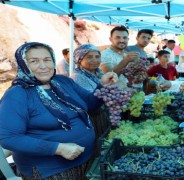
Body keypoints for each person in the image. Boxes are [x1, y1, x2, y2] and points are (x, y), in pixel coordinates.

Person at [0, 42, 117, 179]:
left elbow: (91, 104)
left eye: (47, 60)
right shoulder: (17, 94)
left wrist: (102, 85)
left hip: (88, 158)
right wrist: (58, 149)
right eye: (34, 61)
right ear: (23, 64)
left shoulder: (63, 81)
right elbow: (8, 138)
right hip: (52, 171)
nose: (43, 66)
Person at [70, 44, 110, 140]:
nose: (95, 60)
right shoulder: (77, 77)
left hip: (102, 115)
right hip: (92, 118)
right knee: (98, 143)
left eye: (97, 56)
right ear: (79, 59)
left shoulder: (99, 72)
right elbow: (91, 102)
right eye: (89, 57)